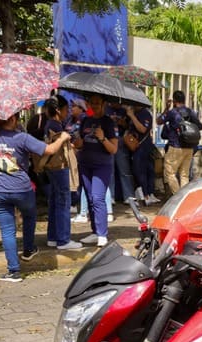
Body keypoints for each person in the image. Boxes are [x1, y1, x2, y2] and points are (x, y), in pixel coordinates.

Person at [0, 112, 71, 282]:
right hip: (21, 189)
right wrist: (62, 138)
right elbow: (49, 149)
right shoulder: (22, 138)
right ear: (12, 119)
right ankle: (28, 249)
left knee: (7, 231)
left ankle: (13, 271)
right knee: (29, 216)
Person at [72, 93, 117, 248]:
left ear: (103, 104)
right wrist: (77, 142)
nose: (95, 106)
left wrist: (102, 138)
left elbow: (113, 149)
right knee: (90, 198)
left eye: (97, 103)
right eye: (92, 103)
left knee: (98, 198)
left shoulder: (108, 122)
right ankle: (95, 232)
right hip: (85, 164)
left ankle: (102, 234)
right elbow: (80, 144)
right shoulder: (85, 120)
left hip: (102, 166)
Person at [41, 96, 82, 250]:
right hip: (59, 166)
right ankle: (63, 239)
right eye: (66, 109)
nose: (68, 112)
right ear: (58, 110)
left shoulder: (50, 124)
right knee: (63, 201)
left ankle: (53, 237)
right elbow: (58, 148)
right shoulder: (55, 125)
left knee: (54, 200)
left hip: (52, 167)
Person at [156, 90, 202, 195]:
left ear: (174, 100)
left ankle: (178, 196)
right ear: (184, 100)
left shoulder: (172, 112)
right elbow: (200, 126)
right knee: (184, 175)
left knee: (170, 173)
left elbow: (159, 121)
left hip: (175, 147)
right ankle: (184, 198)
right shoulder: (191, 112)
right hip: (189, 148)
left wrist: (166, 108)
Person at [125, 103, 158, 204]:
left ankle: (147, 194)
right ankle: (145, 193)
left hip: (143, 146)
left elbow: (143, 129)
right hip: (134, 146)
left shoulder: (145, 114)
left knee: (143, 170)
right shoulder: (133, 112)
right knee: (138, 170)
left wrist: (132, 116)